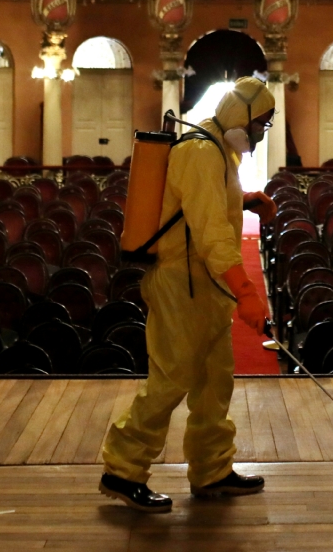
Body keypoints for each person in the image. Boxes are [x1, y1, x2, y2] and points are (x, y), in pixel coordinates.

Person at [99, 76, 275, 513]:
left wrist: (246, 199)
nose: (260, 132)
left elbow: (206, 206)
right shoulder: (200, 151)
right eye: (261, 124)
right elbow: (212, 233)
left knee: (215, 381)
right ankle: (122, 470)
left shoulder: (218, 148)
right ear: (242, 115)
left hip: (206, 286)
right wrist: (247, 291)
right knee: (171, 380)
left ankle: (212, 469)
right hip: (183, 284)